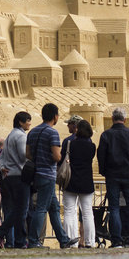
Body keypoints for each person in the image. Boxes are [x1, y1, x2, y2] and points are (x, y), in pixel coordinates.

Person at [26, 103, 76, 248]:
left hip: (36, 174)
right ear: (55, 116)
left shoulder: (33, 132)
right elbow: (56, 156)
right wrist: (62, 157)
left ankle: (63, 239)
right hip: (47, 174)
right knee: (41, 208)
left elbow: (28, 154)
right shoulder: (52, 133)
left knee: (53, 208)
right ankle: (34, 241)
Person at [96, 107, 129, 248]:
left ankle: (117, 240)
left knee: (114, 207)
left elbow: (101, 155)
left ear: (112, 119)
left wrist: (104, 172)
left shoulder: (106, 135)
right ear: (125, 120)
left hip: (112, 175)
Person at [0, 111, 32, 249]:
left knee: (18, 209)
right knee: (21, 210)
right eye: (28, 120)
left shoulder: (10, 135)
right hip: (19, 176)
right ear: (21, 122)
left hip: (8, 177)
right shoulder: (21, 136)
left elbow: (1, 155)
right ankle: (1, 232)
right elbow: (23, 156)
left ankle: (19, 241)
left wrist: (3, 167)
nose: (29, 123)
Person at [61, 119, 96, 248]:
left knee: (69, 212)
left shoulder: (70, 144)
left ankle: (71, 242)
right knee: (87, 212)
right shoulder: (92, 147)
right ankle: (90, 242)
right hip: (86, 182)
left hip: (71, 182)